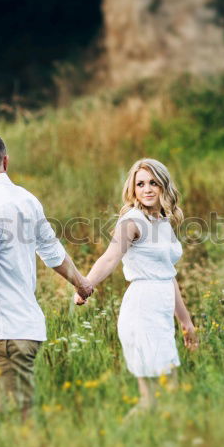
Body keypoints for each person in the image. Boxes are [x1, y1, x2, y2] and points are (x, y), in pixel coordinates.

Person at [0, 132, 93, 435]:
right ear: (6, 161)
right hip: (1, 333)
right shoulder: (26, 199)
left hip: (7, 334)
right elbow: (52, 252)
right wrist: (81, 284)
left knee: (17, 421)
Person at [75, 158, 198, 413]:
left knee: (166, 396)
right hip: (143, 311)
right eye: (140, 184)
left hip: (161, 312)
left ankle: (161, 443)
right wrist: (85, 285)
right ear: (133, 189)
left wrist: (186, 323)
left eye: (153, 182)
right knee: (158, 397)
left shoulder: (163, 222)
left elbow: (167, 275)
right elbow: (109, 258)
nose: (147, 189)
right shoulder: (132, 221)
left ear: (164, 186)